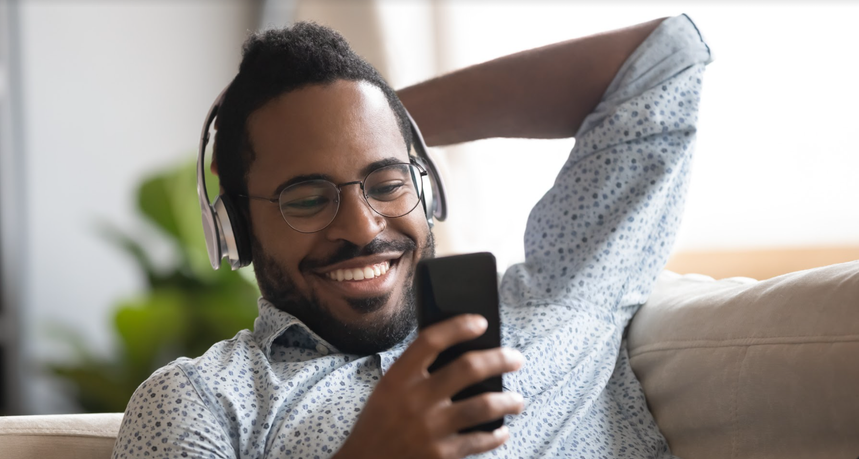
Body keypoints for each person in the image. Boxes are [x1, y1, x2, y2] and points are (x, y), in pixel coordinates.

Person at [113, 13, 712, 459]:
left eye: (386, 181)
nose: (362, 228)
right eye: (307, 198)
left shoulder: (560, 302)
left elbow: (664, 60)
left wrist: (376, 114)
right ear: (237, 224)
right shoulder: (199, 403)